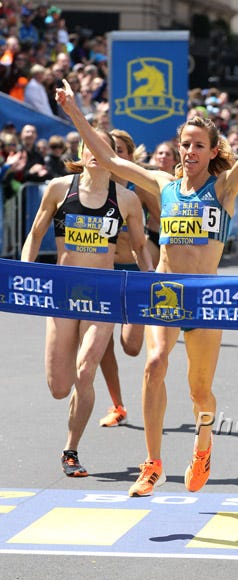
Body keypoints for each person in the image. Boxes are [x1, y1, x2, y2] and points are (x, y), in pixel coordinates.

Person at [56, 78, 238, 495]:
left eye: (198, 146)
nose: (189, 152)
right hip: (166, 293)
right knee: (154, 365)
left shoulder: (222, 188)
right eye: (185, 144)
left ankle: (203, 448)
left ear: (212, 151)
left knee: (200, 391)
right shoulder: (162, 186)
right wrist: (74, 112)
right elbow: (111, 162)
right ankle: (152, 464)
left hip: (204, 299)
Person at [20, 129, 153, 477]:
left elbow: (140, 248)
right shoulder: (60, 188)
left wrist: (151, 281)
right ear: (81, 150)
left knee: (85, 371)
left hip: (102, 295)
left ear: (114, 156)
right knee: (59, 387)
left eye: (104, 148)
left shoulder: (125, 199)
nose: (95, 152)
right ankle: (71, 435)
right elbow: (35, 234)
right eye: (89, 146)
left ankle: (71, 449)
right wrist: (22, 274)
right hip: (62, 295)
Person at [98, 128, 161, 427]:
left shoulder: (139, 189)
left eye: (119, 150)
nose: (113, 155)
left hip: (135, 272)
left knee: (131, 347)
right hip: (105, 274)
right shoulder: (96, 188)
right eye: (109, 148)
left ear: (129, 156)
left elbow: (165, 222)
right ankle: (118, 405)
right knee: (101, 345)